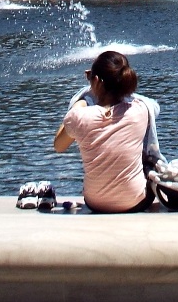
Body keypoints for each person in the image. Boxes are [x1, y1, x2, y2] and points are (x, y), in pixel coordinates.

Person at [54, 50, 159, 213]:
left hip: (95, 203)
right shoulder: (141, 109)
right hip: (136, 201)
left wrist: (80, 102)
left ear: (96, 81)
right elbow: (152, 105)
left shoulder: (79, 116)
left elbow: (59, 146)